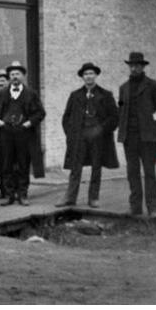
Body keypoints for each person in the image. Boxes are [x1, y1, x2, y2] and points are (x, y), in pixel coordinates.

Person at [58, 62, 120, 208]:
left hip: (98, 137)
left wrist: (101, 129)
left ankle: (93, 198)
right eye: (86, 74)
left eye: (91, 73)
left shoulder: (106, 95)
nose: (89, 76)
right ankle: (70, 198)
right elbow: (66, 118)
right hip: (79, 137)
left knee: (96, 167)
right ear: (82, 77)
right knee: (75, 167)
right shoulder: (75, 95)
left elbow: (114, 117)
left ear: (96, 75)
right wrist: (71, 135)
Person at [116, 52, 156, 218]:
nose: (134, 68)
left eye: (137, 65)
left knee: (149, 172)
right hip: (129, 137)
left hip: (148, 138)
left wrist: (154, 127)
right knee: (132, 172)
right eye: (131, 65)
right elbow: (121, 110)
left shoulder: (153, 86)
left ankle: (153, 208)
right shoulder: (124, 88)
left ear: (143, 67)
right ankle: (135, 207)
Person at [0, 61, 46, 205]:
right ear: (9, 77)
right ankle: (9, 195)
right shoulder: (2, 94)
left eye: (17, 74)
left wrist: (29, 122)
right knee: (6, 164)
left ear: (23, 76)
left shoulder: (31, 94)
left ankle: (22, 194)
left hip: (24, 134)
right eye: (12, 74)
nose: (14, 77)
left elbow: (40, 113)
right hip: (6, 134)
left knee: (23, 164)